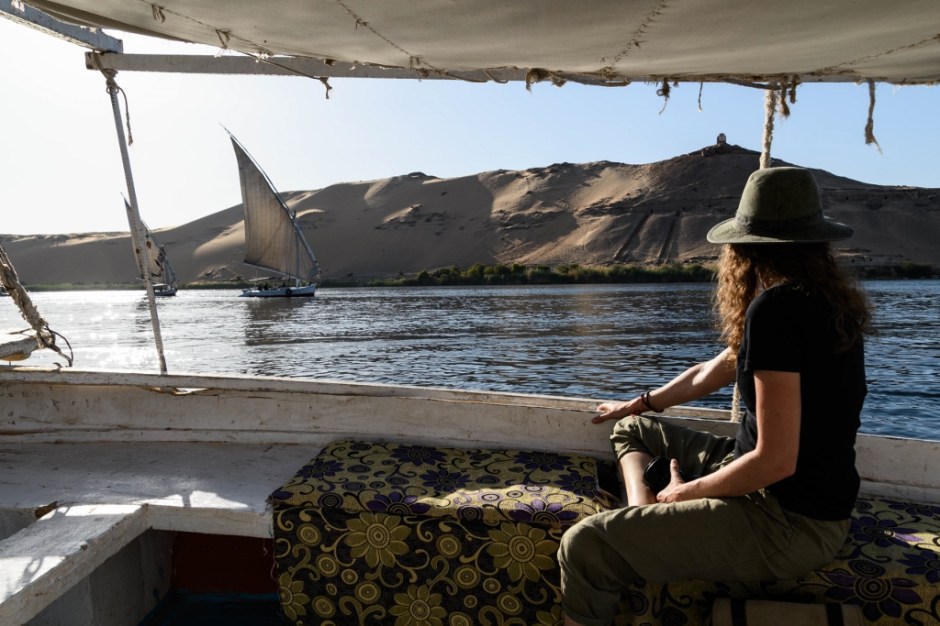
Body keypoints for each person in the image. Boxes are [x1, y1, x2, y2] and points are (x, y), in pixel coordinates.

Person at [558, 166, 872, 626]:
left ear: (743, 246)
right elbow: (711, 370)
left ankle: (648, 518)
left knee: (585, 545)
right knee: (633, 427)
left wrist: (686, 495)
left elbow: (775, 462)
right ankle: (643, 512)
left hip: (788, 521)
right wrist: (640, 403)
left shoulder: (779, 309)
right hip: (778, 488)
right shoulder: (823, 300)